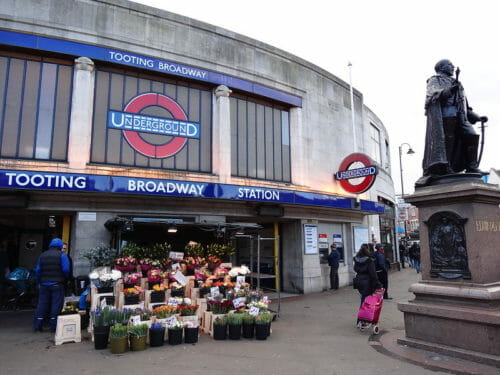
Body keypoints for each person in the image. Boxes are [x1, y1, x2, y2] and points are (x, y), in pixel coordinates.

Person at [417, 59, 488, 186]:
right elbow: (433, 95)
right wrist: (450, 90)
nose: (453, 67)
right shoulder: (435, 80)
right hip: (445, 114)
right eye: (450, 65)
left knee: (471, 135)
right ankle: (447, 166)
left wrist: (477, 117)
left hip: (460, 115)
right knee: (447, 141)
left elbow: (465, 105)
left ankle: (472, 166)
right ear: (441, 67)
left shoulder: (458, 83)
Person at [33, 238, 70, 332]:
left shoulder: (42, 255)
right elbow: (66, 270)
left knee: (42, 304)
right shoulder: (62, 255)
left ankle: (37, 325)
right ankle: (53, 326)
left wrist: (39, 281)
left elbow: (37, 270)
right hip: (57, 284)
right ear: (60, 245)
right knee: (56, 304)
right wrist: (64, 278)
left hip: (44, 284)